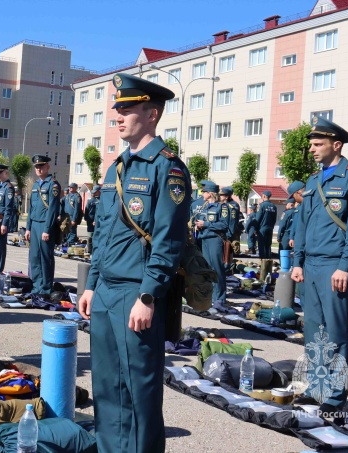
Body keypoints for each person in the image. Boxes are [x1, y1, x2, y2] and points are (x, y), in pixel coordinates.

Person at [78, 73, 191, 453]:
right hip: (107, 290)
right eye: (118, 110)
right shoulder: (117, 168)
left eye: (128, 109)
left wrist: (149, 294)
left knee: (139, 390)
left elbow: (168, 239)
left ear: (153, 114)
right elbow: (104, 233)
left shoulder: (167, 168)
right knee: (107, 388)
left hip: (135, 293)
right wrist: (91, 283)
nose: (119, 116)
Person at [292, 117, 348, 410]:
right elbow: (302, 224)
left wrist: (346, 265)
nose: (312, 149)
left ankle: (335, 395)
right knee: (314, 330)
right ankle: (316, 388)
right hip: (310, 266)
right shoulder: (314, 181)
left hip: (335, 266)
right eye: (311, 144)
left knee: (336, 333)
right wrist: (297, 261)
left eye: (318, 144)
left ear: (336, 145)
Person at [26, 155, 61, 295]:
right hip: (34, 225)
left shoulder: (53, 185)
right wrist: (28, 228)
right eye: (36, 167)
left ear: (48, 167)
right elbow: (31, 208)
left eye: (41, 166)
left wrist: (47, 229)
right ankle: (36, 287)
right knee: (34, 257)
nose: (38, 169)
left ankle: (45, 288)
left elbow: (52, 210)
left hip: (45, 226)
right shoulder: (35, 185)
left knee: (45, 257)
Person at [193, 181, 230, 307]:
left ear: (210, 193)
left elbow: (224, 225)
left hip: (215, 240)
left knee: (217, 269)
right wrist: (199, 226)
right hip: (204, 239)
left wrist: (206, 224)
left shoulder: (222, 207)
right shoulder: (204, 206)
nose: (202, 194)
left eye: (204, 192)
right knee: (208, 269)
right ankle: (211, 297)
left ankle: (220, 298)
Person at [256, 190, 278, 259]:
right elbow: (274, 219)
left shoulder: (262, 205)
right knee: (268, 244)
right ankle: (268, 258)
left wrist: (256, 228)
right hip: (270, 227)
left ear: (264, 196)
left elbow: (258, 218)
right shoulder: (274, 206)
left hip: (262, 228)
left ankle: (262, 259)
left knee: (261, 244)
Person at [83, 185, 101, 253]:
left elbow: (87, 210)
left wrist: (86, 218)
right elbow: (86, 210)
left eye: (95, 192)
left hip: (94, 220)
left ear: (99, 191)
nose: (93, 194)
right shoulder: (93, 201)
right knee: (91, 236)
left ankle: (92, 250)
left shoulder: (97, 201)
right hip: (91, 220)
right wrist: (86, 218)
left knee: (93, 236)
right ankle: (90, 249)